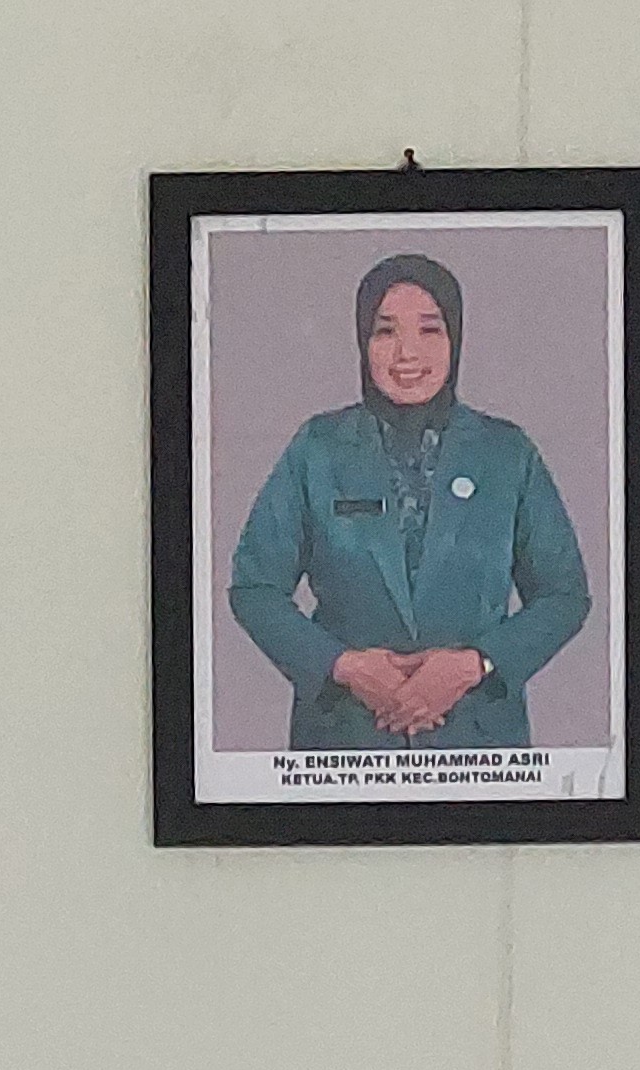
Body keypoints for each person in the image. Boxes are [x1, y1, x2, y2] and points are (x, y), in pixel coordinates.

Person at [219, 247, 596, 755]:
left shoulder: (507, 453)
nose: (407, 355)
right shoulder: (319, 447)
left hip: (480, 749)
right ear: (362, 341)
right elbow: (255, 587)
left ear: (455, 339)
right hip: (344, 748)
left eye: (429, 329)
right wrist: (344, 666)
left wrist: (473, 666)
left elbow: (564, 595)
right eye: (386, 331)